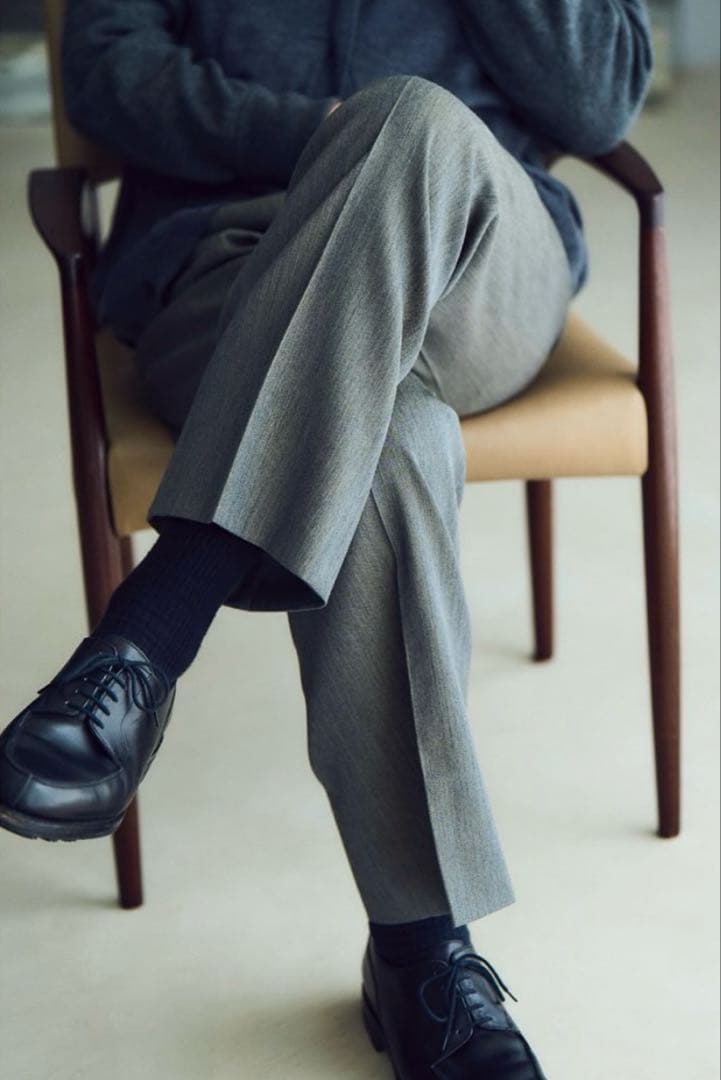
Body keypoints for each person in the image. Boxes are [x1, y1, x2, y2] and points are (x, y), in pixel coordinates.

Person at [0, 2, 653, 1076]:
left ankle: (155, 622)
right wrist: (316, 134)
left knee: (414, 121)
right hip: (230, 262)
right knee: (385, 439)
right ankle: (419, 957)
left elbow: (599, 97)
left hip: (476, 256)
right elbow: (109, 70)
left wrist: (380, 134)